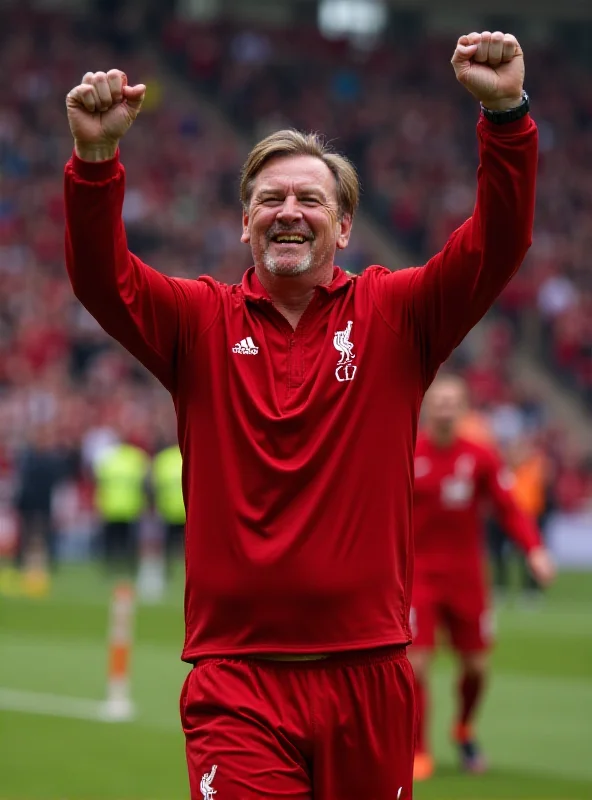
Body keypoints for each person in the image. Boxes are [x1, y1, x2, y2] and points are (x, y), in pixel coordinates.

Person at [64, 31, 537, 799]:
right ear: (244, 225)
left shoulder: (398, 314)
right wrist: (93, 164)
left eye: (310, 199)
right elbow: (101, 281)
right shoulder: (198, 323)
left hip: (369, 678)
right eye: (270, 200)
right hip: (237, 685)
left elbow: (499, 244)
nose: (289, 212)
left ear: (343, 227)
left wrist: (508, 116)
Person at [410, 375, 555, 781]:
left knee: (476, 668)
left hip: (467, 577)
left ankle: (464, 728)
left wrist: (535, 550)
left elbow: (509, 508)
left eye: (452, 401)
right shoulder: (407, 451)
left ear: (463, 409)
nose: (443, 407)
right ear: (426, 405)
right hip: (418, 576)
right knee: (415, 665)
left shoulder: (480, 455)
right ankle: (419, 749)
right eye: (437, 400)